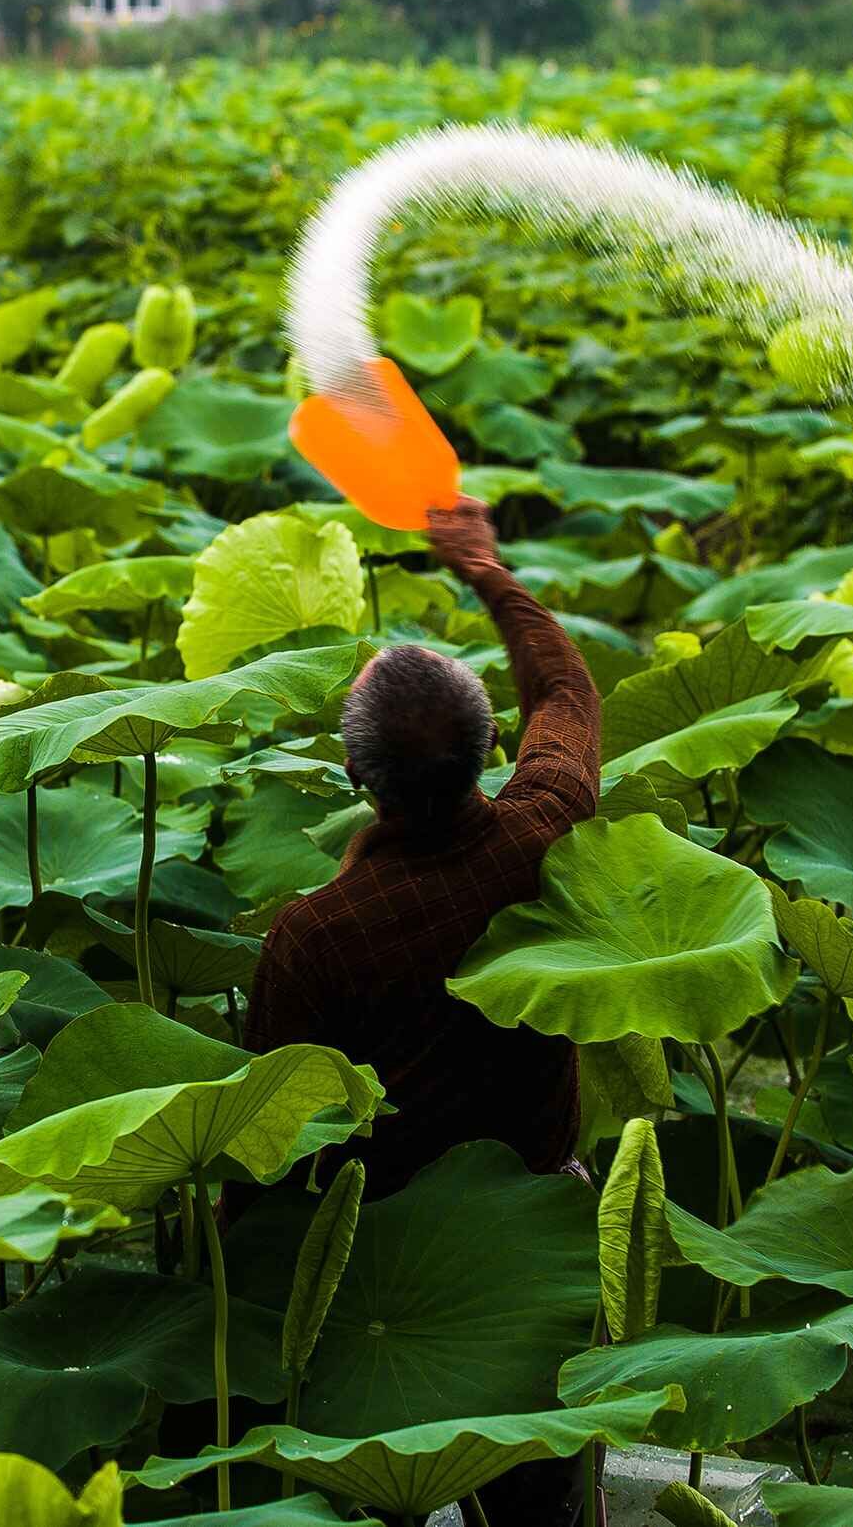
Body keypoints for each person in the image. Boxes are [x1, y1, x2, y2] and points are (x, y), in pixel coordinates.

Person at [242, 494, 603, 1527]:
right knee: (539, 1504)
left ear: (358, 776)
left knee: (384, 1497)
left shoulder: (317, 934)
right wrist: (485, 568)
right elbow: (568, 690)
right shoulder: (547, 825)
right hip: (540, 1225)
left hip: (382, 1263)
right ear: (489, 745)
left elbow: (270, 1135)